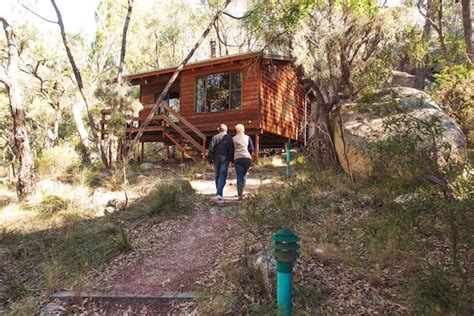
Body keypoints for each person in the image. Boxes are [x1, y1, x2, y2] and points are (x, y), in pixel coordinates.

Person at [208, 124, 234, 200]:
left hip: (216, 159)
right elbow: (231, 150)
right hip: (225, 159)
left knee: (217, 175)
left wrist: (210, 159)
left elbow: (211, 148)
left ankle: (218, 191)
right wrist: (231, 159)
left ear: (219, 130)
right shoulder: (229, 138)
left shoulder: (214, 137)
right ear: (226, 130)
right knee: (222, 176)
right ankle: (219, 193)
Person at [232, 124, 254, 200]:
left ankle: (239, 194)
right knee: (244, 175)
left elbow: (231, 150)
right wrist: (249, 154)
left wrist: (232, 159)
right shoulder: (248, 138)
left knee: (239, 175)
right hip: (247, 158)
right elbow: (251, 148)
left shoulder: (233, 139)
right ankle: (242, 191)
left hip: (237, 158)